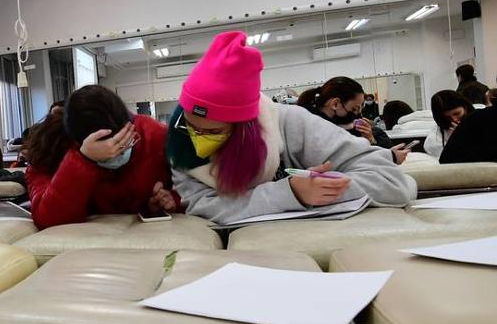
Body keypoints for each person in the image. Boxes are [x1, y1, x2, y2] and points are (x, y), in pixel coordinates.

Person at [166, 32, 415, 227]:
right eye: (190, 125)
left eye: (214, 131)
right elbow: (201, 205)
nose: (197, 139)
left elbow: (390, 181)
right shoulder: (180, 147)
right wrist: (290, 193)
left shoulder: (292, 123)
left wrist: (320, 191)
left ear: (245, 127)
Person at [24, 85, 176, 227]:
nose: (119, 153)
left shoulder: (155, 135)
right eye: (109, 151)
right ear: (76, 142)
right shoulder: (50, 149)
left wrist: (169, 200)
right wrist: (82, 161)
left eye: (125, 143)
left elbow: (193, 192)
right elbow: (48, 219)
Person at [296, 77, 409, 162]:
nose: (357, 114)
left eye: (360, 109)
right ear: (335, 104)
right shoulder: (314, 129)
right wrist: (390, 157)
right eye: (354, 109)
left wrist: (371, 139)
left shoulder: (339, 125)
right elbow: (344, 161)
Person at [424, 90, 473, 158]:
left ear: (465, 108)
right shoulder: (434, 140)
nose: (454, 119)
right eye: (447, 117)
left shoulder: (481, 120)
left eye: (457, 113)